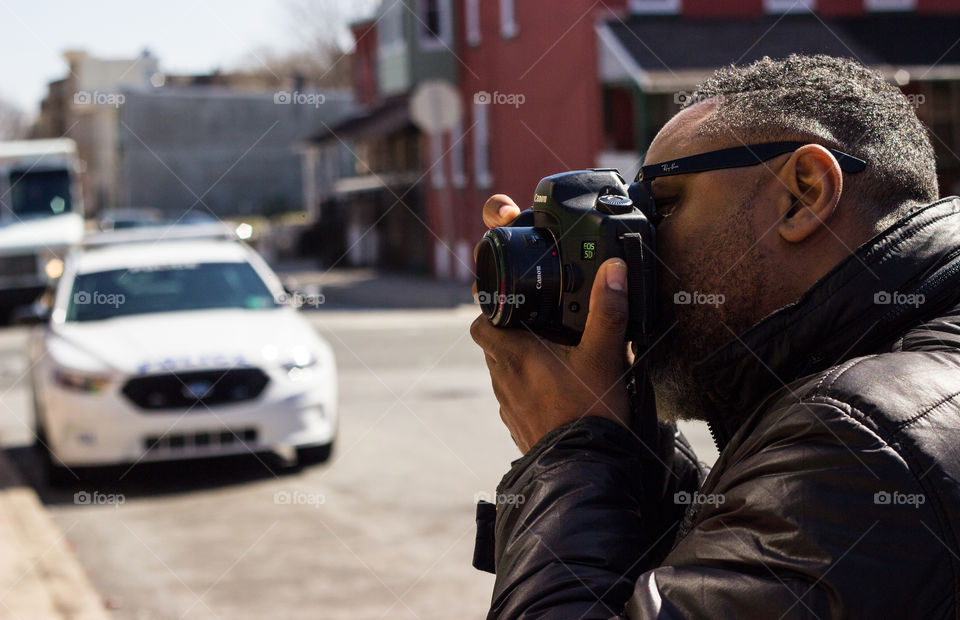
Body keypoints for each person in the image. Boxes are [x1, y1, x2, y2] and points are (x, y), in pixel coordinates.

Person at [470, 54, 960, 618]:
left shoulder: (863, 438)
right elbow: (729, 572)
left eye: (661, 204)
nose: (641, 245)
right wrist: (628, 440)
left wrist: (570, 451)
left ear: (802, 193)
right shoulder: (904, 384)